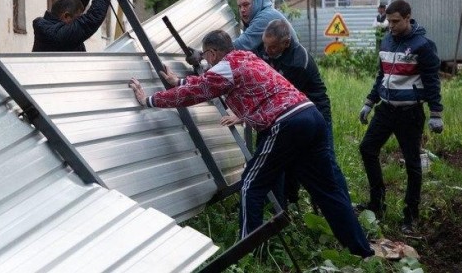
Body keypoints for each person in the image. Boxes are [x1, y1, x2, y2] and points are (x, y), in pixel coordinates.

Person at [129, 30, 374, 258]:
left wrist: (148, 100)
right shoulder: (246, 57)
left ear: (212, 53)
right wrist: (180, 81)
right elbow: (207, 83)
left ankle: (249, 256)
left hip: (286, 123)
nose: (204, 60)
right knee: (328, 190)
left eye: (205, 56)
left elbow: (197, 92)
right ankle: (361, 252)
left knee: (251, 186)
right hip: (311, 115)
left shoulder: (224, 68)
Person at [357, 0, 443, 234]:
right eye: (389, 21)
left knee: (413, 164)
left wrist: (436, 113)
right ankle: (377, 203)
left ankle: (411, 215)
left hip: (410, 113)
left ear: (407, 18)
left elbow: (432, 81)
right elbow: (381, 76)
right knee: (367, 149)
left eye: (395, 21)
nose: (391, 26)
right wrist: (369, 102)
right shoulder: (386, 40)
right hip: (385, 110)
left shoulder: (422, 45)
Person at [251, 19, 349, 206]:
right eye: (265, 45)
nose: (266, 50)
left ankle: (342, 203)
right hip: (289, 113)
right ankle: (284, 204)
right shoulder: (267, 49)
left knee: (326, 162)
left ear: (286, 43)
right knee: (280, 158)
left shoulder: (297, 62)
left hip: (314, 113)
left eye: (271, 47)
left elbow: (277, 96)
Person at [186, 0, 298, 65]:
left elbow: (235, 48)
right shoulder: (256, 18)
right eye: (239, 7)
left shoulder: (265, 17)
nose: (242, 10)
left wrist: (202, 55)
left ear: (257, 2)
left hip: (293, 73)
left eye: (246, 5)